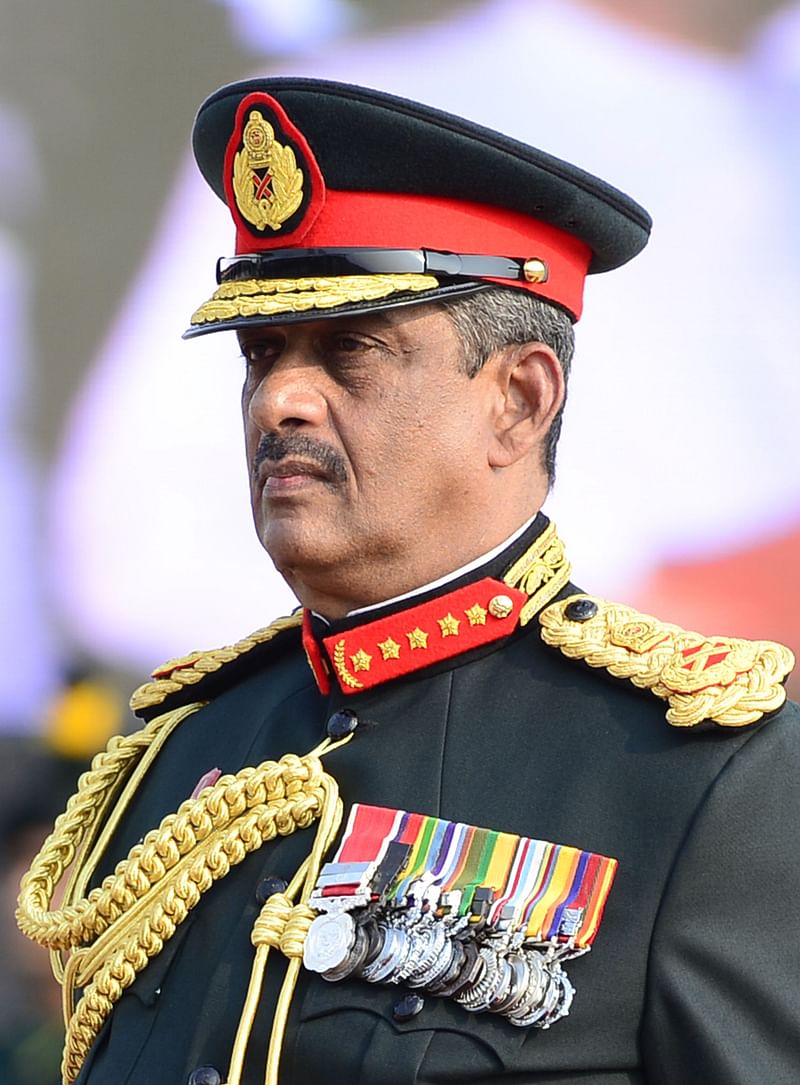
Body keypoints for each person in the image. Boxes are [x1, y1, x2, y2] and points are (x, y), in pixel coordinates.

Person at [17, 78, 800, 1085]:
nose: (280, 399)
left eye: (350, 351)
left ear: (518, 401)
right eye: (263, 355)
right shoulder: (181, 748)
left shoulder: (697, 776)